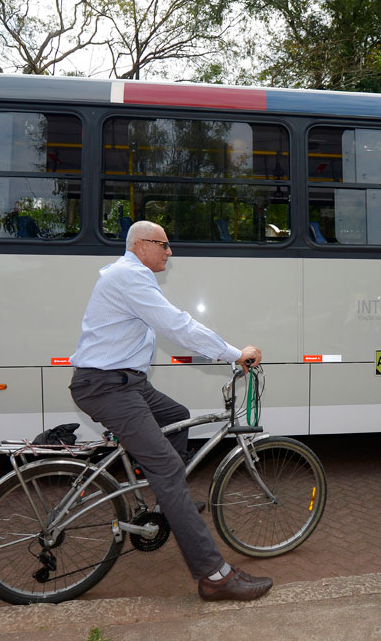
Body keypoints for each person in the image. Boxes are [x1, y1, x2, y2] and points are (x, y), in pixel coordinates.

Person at [68, 220, 273, 602]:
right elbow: (177, 326)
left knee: (177, 417)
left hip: (126, 383)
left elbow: (168, 325)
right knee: (167, 470)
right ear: (141, 245)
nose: (169, 251)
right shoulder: (131, 277)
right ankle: (214, 576)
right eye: (163, 244)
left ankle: (168, 506)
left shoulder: (130, 276)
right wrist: (233, 353)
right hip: (109, 386)